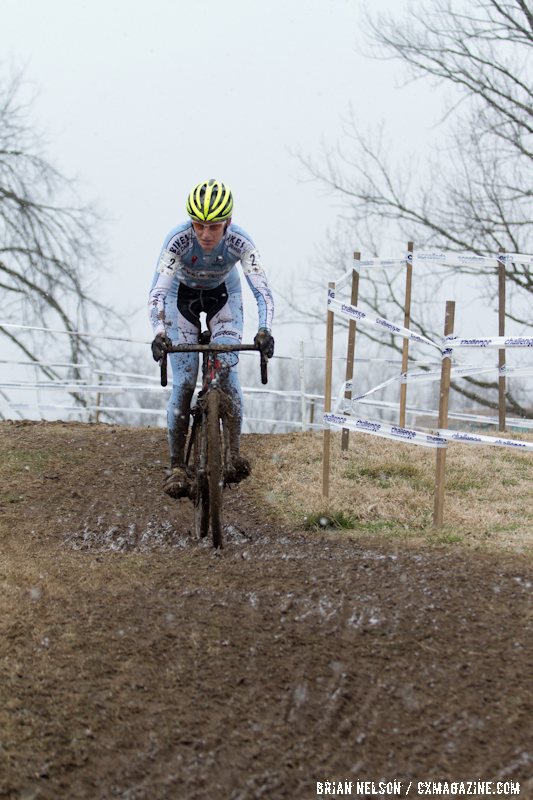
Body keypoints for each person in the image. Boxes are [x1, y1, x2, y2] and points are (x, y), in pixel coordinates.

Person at [148, 178, 275, 498]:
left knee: (228, 372)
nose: (205, 234)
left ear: (227, 223)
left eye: (214, 227)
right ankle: (177, 465)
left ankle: (232, 456)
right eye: (199, 226)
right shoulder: (177, 240)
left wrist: (264, 331)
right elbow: (158, 293)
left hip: (224, 297)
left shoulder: (240, 242)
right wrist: (160, 334)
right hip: (181, 299)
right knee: (185, 381)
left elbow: (262, 290)